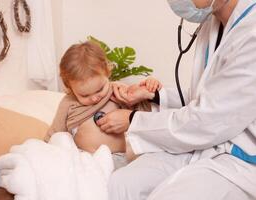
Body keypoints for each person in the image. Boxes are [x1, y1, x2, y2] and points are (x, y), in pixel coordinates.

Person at [96, 0, 256, 199]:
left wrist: (132, 119)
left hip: (242, 162)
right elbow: (210, 95)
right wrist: (154, 96)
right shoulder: (211, 23)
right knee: (121, 184)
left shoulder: (252, 34)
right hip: (207, 143)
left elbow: (208, 120)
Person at [45, 41, 162, 168]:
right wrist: (44, 152)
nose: (95, 98)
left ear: (107, 72)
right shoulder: (68, 103)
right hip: (85, 160)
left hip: (120, 159)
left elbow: (142, 114)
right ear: (70, 87)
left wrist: (149, 90)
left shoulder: (117, 90)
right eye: (85, 95)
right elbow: (55, 134)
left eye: (100, 89)